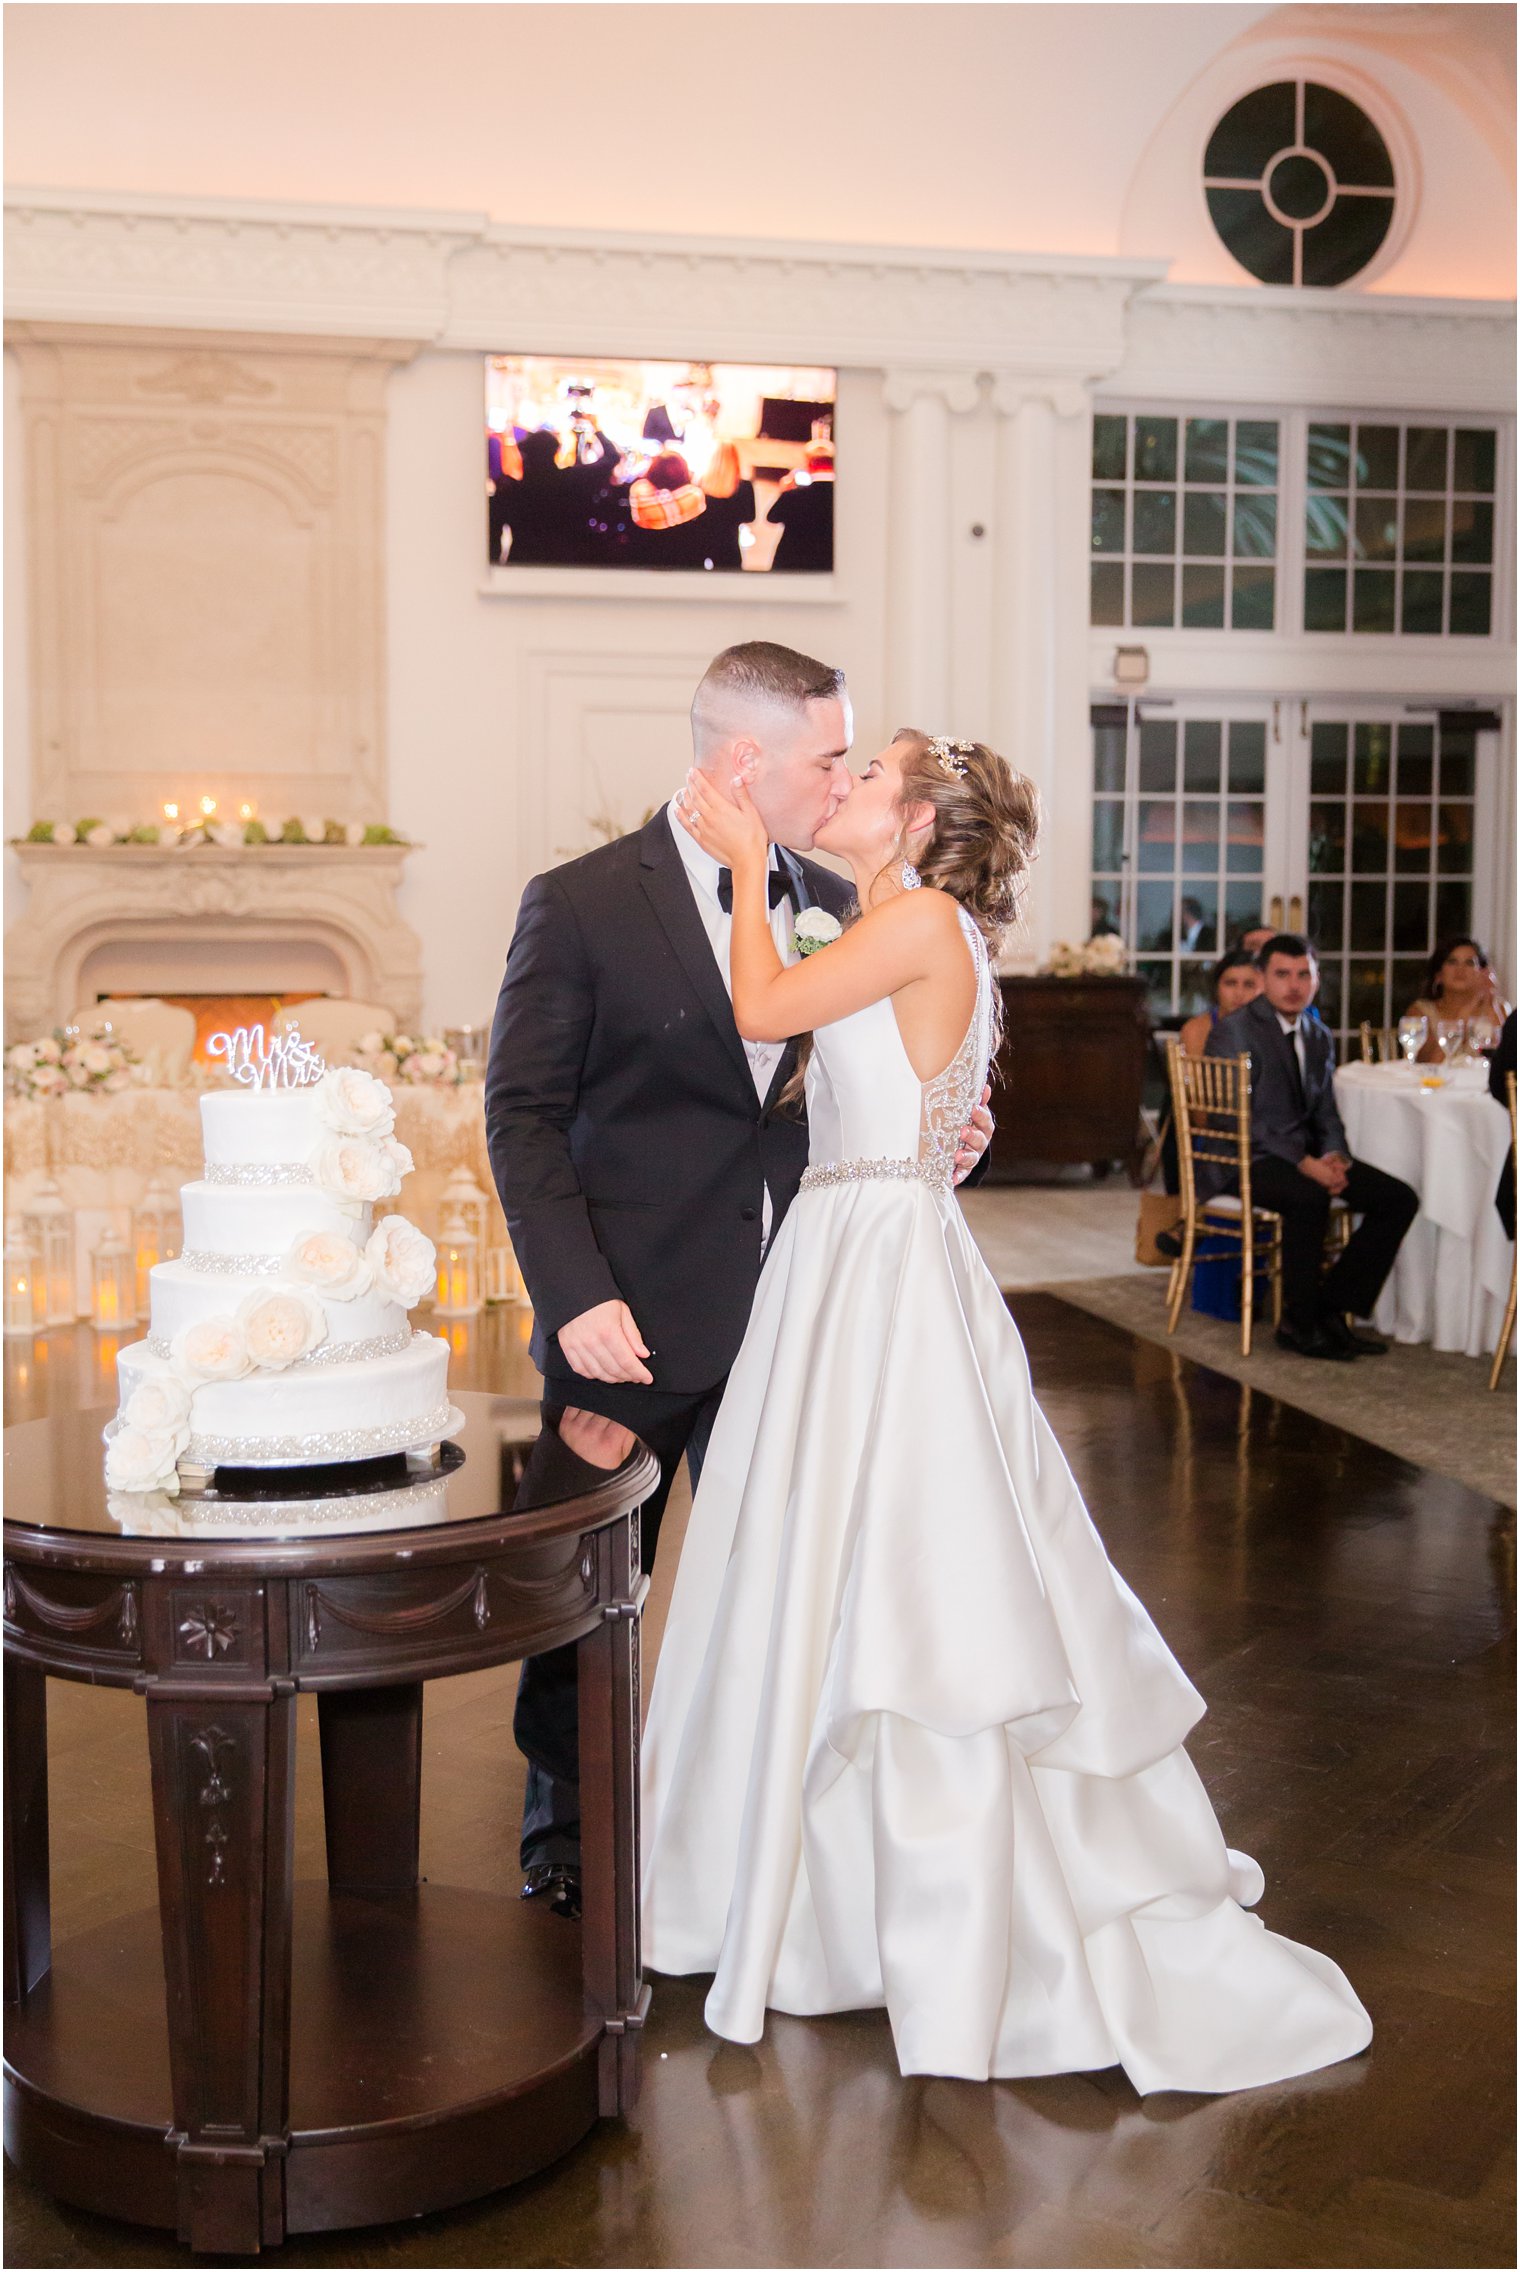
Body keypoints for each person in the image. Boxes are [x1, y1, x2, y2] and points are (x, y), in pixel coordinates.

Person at [643, 741, 1371, 2094]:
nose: (845, 782)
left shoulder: (916, 919)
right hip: (857, 1248)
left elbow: (760, 1013)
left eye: (871, 772)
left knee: (907, 1582)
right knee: (832, 1567)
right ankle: (827, 1896)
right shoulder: (899, 920)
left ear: (916, 821)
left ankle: (915, 1914)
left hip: (875, 1265)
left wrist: (746, 871)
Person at [485, 642, 995, 1918]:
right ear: (741, 760)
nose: (839, 779)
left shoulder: (838, 893)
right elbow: (522, 1117)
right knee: (587, 1587)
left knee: (785, 1588)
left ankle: (762, 1824)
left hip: (806, 1312)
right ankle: (568, 1826)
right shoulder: (582, 900)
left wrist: (945, 1129)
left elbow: (898, 1062)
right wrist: (573, 1295)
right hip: (633, 1321)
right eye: (829, 755)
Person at [1206, 935, 1417, 1361]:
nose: (1294, 986)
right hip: (1243, 1158)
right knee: (1309, 1196)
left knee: (1398, 1198)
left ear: (1317, 980)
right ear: (1263, 978)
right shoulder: (1233, 1031)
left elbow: (1326, 1111)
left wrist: (1335, 1156)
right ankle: (1297, 1324)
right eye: (1282, 974)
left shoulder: (1317, 1034)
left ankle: (1332, 1308)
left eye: (1304, 975)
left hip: (1305, 1158)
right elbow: (1237, 1118)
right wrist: (1306, 1163)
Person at [1402, 935, 1510, 1062]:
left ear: (1481, 971)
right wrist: (1467, 1010)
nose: (1460, 969)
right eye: (1452, 962)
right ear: (1438, 975)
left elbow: (1507, 1060)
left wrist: (1490, 999)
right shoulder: (1420, 1011)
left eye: (1469, 963)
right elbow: (1432, 1064)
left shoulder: (1497, 1007)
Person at [765, 446, 835, 573]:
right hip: (828, 562)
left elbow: (772, 517)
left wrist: (784, 491)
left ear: (809, 464)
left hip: (792, 561)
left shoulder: (795, 495)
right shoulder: (841, 498)